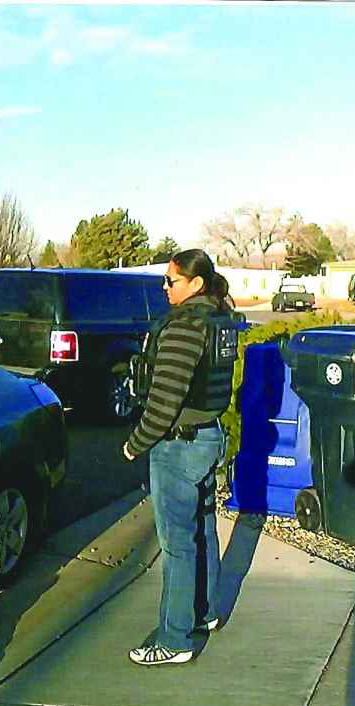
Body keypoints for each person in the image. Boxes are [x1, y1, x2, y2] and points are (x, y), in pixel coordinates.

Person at [123, 249, 238, 666]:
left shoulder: (186, 326)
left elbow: (165, 399)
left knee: (177, 545)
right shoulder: (219, 319)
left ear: (196, 285)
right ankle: (203, 613)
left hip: (180, 444)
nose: (165, 287)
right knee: (202, 530)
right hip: (208, 436)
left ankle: (174, 639)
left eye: (171, 281)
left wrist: (136, 442)